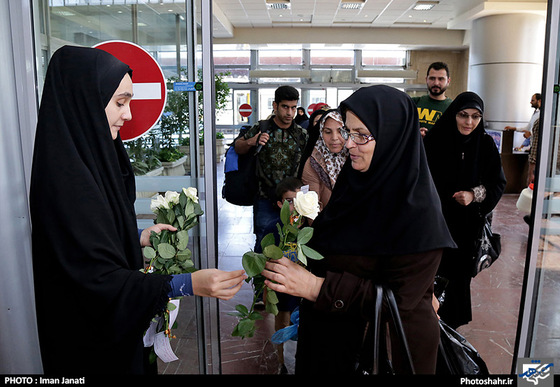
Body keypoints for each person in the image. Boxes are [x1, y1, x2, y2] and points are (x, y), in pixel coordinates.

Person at [29, 46, 246, 375]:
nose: (128, 115)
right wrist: (185, 284)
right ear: (85, 100)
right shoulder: (64, 181)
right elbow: (94, 280)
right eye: (120, 102)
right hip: (88, 347)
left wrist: (136, 238)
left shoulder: (89, 162)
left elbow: (85, 241)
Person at [261, 85, 456, 375]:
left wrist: (316, 288)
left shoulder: (418, 212)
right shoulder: (355, 183)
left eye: (361, 135)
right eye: (348, 132)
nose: (348, 143)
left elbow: (400, 303)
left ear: (392, 138)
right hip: (330, 339)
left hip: (381, 353)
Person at [423, 91, 506, 329]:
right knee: (431, 275)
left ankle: (452, 328)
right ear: (454, 114)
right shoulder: (434, 141)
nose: (469, 122)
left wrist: (473, 194)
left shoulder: (486, 144)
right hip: (434, 225)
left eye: (475, 116)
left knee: (458, 280)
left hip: (466, 227)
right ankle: (427, 323)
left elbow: (497, 182)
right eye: (463, 115)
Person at [234, 85, 308, 254]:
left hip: (293, 202)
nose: (290, 113)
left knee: (292, 243)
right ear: (275, 106)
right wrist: (252, 141)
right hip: (265, 198)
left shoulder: (301, 134)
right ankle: (262, 279)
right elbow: (238, 147)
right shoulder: (262, 127)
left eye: (293, 107)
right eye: (285, 107)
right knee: (263, 242)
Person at [301, 109, 348, 208]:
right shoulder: (313, 163)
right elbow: (311, 209)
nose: (334, 137)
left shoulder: (357, 158)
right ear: (321, 134)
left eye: (341, 131)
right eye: (327, 132)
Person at [505, 93, 541, 183]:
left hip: (537, 148)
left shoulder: (543, 115)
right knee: (530, 174)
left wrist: (530, 135)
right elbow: (528, 128)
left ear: (539, 101)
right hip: (533, 147)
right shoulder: (535, 113)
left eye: (533, 100)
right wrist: (514, 128)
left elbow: (540, 133)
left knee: (532, 174)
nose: (530, 102)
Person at [411, 61, 453, 137]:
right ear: (426, 79)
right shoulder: (414, 102)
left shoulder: (454, 107)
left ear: (448, 81)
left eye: (441, 79)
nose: (436, 83)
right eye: (432, 78)